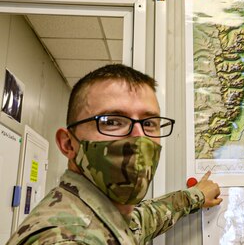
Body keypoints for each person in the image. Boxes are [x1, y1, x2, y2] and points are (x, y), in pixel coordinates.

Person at [7, 64, 222, 245]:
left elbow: (143, 220)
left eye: (149, 123)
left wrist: (196, 196)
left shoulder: (103, 214)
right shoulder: (69, 238)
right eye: (112, 122)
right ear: (68, 144)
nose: (139, 138)